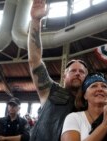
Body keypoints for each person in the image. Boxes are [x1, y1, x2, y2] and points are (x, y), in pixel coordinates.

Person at [28, 0, 89, 140]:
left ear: (86, 77)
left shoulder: (89, 103)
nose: (78, 73)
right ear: (64, 75)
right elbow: (34, 60)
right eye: (73, 71)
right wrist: (35, 21)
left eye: (82, 72)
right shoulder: (50, 90)